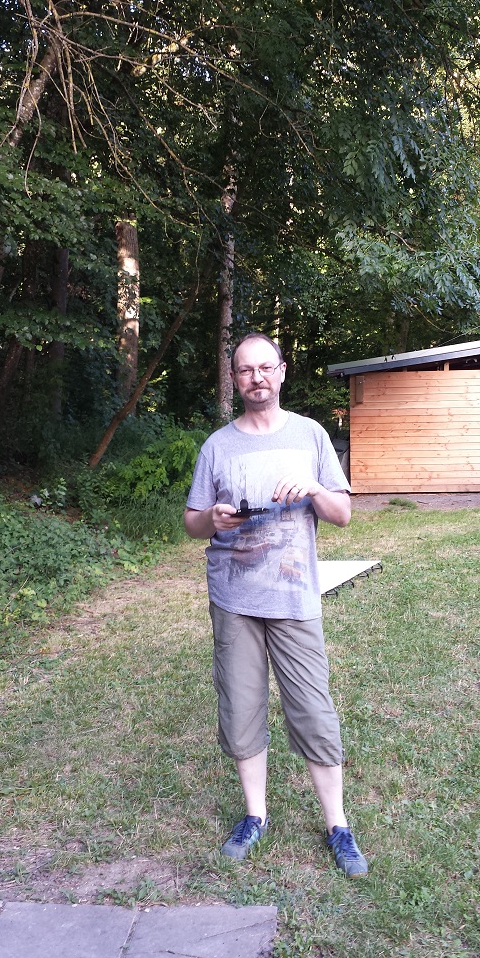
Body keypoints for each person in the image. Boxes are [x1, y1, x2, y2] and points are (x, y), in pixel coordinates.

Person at [183, 332, 368, 877]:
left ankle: (337, 825)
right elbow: (192, 523)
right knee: (241, 708)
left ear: (282, 372)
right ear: (234, 379)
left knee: (312, 709)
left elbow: (342, 515)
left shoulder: (310, 435)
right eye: (245, 370)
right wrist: (212, 519)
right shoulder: (217, 446)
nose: (256, 377)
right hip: (233, 599)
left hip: (293, 598)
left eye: (265, 367)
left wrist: (312, 487)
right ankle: (255, 815)